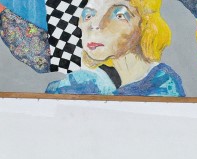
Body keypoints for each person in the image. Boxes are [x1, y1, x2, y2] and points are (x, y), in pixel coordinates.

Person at [45, 0, 185, 96]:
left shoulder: (164, 85)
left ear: (145, 26)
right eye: (88, 15)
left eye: (118, 15)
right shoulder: (79, 83)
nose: (95, 24)